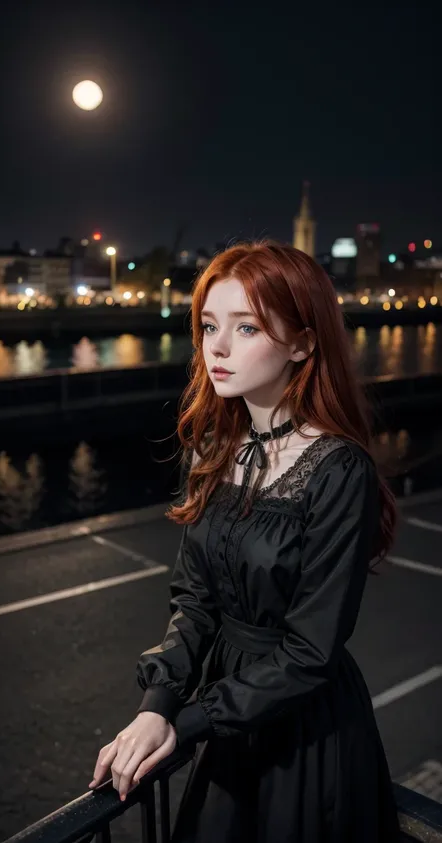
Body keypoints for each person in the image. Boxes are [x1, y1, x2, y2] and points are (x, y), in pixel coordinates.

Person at [90, 241, 401, 842]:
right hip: (226, 723)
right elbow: (194, 601)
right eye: (209, 325)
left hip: (304, 732)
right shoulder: (214, 448)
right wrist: (158, 705)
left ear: (304, 343)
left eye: (247, 327)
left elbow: (312, 651)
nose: (218, 347)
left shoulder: (339, 470)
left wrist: (192, 720)